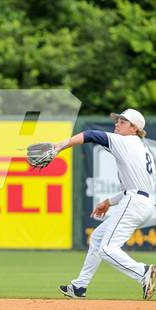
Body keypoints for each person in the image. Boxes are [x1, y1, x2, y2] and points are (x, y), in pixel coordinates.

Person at [56, 109, 155, 300]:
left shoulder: (124, 141)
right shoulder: (141, 148)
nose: (117, 123)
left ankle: (142, 272)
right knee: (98, 238)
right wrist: (108, 202)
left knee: (107, 249)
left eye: (123, 121)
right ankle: (80, 286)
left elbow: (90, 135)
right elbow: (135, 187)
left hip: (134, 202)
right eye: (117, 120)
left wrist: (59, 146)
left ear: (134, 128)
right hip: (143, 202)